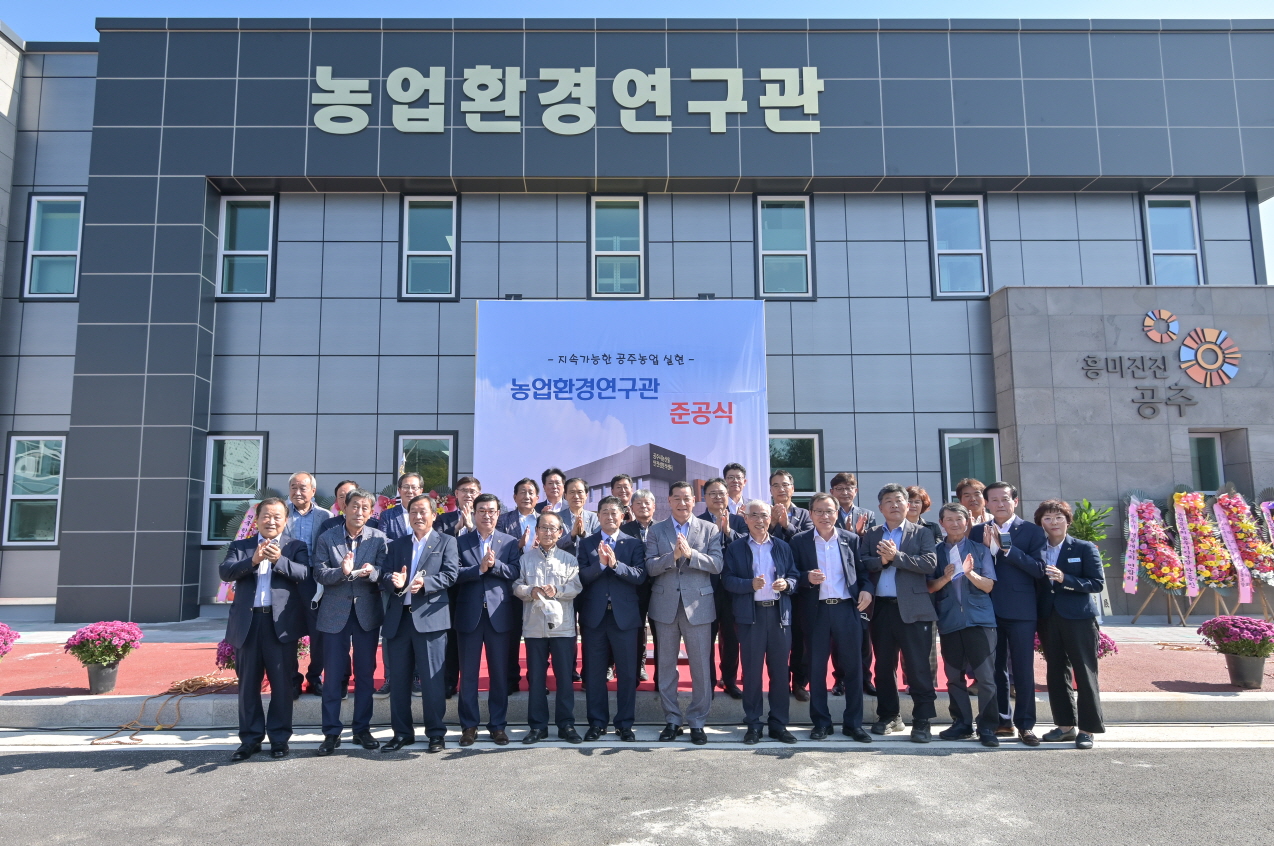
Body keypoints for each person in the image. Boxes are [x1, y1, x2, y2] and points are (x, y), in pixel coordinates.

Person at [220, 497, 310, 761]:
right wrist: (253, 560)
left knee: (282, 685)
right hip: (248, 625)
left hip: (279, 625)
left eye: (277, 517)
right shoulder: (241, 546)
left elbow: (304, 574)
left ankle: (279, 739)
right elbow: (225, 572)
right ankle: (250, 740)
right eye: (266, 516)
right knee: (248, 685)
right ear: (257, 519)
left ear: (286, 520)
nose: (271, 521)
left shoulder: (295, 546)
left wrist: (279, 560)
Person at [969, 481, 1047, 746]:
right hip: (987, 609)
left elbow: (1039, 569)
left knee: (1023, 669)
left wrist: (1007, 549)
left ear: (1015, 501)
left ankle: (1026, 724)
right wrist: (985, 550)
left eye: (1005, 499)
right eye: (994, 500)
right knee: (994, 670)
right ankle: (1002, 720)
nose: (1000, 504)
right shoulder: (977, 531)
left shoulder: (1032, 531)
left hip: (1020, 610)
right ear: (987, 503)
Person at [646, 481, 724, 745]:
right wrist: (672, 556)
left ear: (694, 500)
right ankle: (672, 719)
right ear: (669, 501)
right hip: (665, 606)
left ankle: (698, 721)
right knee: (666, 667)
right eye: (677, 498)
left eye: (686, 498)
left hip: (698, 606)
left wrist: (691, 555)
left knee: (701, 667)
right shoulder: (656, 530)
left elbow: (717, 564)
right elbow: (650, 567)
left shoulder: (710, 528)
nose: (682, 503)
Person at [791, 492, 873, 743]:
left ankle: (853, 724)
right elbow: (791, 574)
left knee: (853, 668)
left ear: (837, 513)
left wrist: (867, 590)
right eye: (819, 511)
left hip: (846, 609)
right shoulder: (800, 541)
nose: (824, 516)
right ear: (811, 514)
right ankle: (821, 722)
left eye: (829, 511)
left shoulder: (850, 539)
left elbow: (863, 573)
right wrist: (806, 578)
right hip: (815, 611)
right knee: (816, 668)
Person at [379, 494, 458, 754]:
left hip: (430, 620)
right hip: (399, 621)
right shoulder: (398, 545)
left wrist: (426, 583)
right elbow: (384, 576)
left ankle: (436, 734)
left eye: (423, 511)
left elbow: (451, 575)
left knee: (432, 680)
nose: (418, 516)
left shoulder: (446, 541)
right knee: (399, 681)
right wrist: (395, 582)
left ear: (434, 515)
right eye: (413, 512)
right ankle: (402, 733)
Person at [312, 488, 388, 755]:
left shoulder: (378, 538)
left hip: (367, 613)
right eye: (355, 506)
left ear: (371, 512)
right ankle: (331, 733)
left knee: (365, 674)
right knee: (333, 675)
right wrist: (341, 572)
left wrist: (373, 572)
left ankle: (362, 729)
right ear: (344, 507)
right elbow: (319, 573)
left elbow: (384, 571)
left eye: (365, 508)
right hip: (334, 613)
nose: (359, 512)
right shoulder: (328, 537)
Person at [861, 483, 939, 743]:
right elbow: (862, 563)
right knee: (884, 666)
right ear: (880, 507)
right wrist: (881, 561)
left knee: (918, 667)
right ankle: (889, 715)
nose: (894, 505)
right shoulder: (872, 534)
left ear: (908, 505)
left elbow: (929, 563)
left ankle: (923, 720)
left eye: (899, 500)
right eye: (888, 501)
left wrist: (896, 557)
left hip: (914, 609)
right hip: (882, 609)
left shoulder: (922, 533)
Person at [724, 500, 800, 744]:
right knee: (752, 673)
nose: (759, 520)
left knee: (780, 672)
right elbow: (727, 580)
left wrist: (787, 584)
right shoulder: (736, 548)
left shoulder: (781, 546)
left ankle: (779, 724)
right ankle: (753, 724)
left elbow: (795, 576)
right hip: (751, 617)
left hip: (779, 616)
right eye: (754, 515)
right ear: (745, 519)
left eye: (764, 515)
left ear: (771, 518)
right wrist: (749, 584)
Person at [1035, 499, 1106, 750]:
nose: (1053, 522)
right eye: (1047, 518)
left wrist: (1065, 579)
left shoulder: (1084, 548)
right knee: (1056, 671)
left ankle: (1087, 729)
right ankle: (1065, 726)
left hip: (1079, 618)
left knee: (1084, 673)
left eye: (1058, 517)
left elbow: (1096, 583)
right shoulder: (1037, 549)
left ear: (1068, 520)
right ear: (1041, 523)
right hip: (1048, 617)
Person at [927, 502, 1000, 748]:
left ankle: (987, 726)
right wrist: (945, 577)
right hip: (949, 620)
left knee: (985, 678)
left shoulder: (979, 550)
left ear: (966, 522)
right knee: (953, 677)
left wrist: (969, 573)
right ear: (942, 523)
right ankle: (962, 723)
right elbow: (930, 587)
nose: (955, 524)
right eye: (949, 519)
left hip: (980, 620)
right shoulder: (936, 552)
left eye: (959, 519)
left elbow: (989, 586)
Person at [454, 492, 521, 746]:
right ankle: (469, 726)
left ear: (498, 514)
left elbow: (515, 572)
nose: (486, 515)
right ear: (474, 513)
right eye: (481, 511)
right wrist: (479, 569)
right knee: (468, 674)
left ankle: (498, 725)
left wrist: (495, 566)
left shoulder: (509, 542)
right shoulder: (461, 542)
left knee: (499, 674)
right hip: (469, 615)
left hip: (498, 616)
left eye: (491, 511)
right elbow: (454, 574)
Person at [578, 495, 647, 741]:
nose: (609, 516)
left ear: (622, 516)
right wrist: (600, 565)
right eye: (604, 512)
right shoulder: (587, 543)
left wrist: (616, 565)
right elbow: (580, 577)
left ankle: (624, 724)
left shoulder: (634, 543)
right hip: (594, 618)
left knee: (627, 674)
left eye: (614, 512)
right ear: (597, 516)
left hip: (625, 618)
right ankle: (597, 723)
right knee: (595, 673)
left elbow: (640, 576)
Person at [514, 511, 583, 744]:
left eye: (552, 528)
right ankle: (537, 726)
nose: (547, 532)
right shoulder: (526, 559)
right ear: (536, 531)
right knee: (536, 678)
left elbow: (576, 587)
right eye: (543, 527)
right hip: (534, 627)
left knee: (564, 678)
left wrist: (558, 590)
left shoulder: (569, 559)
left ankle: (566, 725)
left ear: (560, 532)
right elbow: (516, 585)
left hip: (562, 627)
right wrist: (530, 591)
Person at [373, 472, 425, 700]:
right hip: (394, 580)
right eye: (406, 487)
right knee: (391, 631)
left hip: (421, 582)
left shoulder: (428, 513)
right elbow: (385, 544)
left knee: (418, 629)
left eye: (414, 487)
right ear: (399, 490)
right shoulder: (388, 515)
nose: (410, 491)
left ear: (421, 490)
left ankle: (416, 677)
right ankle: (390, 678)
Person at [699, 477, 748, 699]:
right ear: (704, 497)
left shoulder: (739, 520)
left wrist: (728, 531)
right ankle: (707, 683)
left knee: (731, 637)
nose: (718, 497)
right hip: (705, 588)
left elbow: (748, 546)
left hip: (732, 589)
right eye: (713, 493)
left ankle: (729, 680)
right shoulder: (697, 522)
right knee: (706, 638)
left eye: (722, 493)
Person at [830, 471, 877, 697]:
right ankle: (840, 679)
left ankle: (865, 678)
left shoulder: (868, 515)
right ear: (832, 492)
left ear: (855, 491)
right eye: (839, 489)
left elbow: (872, 547)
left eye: (849, 488)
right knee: (838, 637)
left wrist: (860, 535)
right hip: (838, 583)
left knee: (863, 635)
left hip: (861, 581)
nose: (844, 492)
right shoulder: (828, 513)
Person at [767, 470, 813, 700]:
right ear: (770, 490)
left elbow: (808, 544)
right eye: (776, 485)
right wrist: (772, 524)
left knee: (801, 637)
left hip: (800, 586)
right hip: (771, 585)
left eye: (785, 484)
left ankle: (800, 683)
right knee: (776, 639)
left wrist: (786, 525)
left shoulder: (804, 514)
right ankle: (780, 682)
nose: (781, 489)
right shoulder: (764, 512)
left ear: (792, 489)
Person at [285, 472, 331, 698]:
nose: (298, 492)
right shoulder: (281, 512)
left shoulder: (325, 516)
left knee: (318, 631)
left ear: (313, 491)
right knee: (287, 629)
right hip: (284, 577)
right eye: (293, 487)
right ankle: (292, 679)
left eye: (303, 487)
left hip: (314, 580)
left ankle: (315, 677)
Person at [438, 475, 483, 697]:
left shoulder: (485, 517)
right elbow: (435, 545)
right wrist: (457, 527)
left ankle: (471, 684)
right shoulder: (443, 519)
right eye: (464, 490)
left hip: (476, 586)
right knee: (450, 636)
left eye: (472, 491)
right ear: (456, 494)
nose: (468, 494)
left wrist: (473, 527)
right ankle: (448, 682)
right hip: (450, 587)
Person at [621, 488, 658, 683]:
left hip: (659, 587)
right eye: (639, 503)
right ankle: (636, 669)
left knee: (660, 631)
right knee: (635, 630)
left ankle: (662, 676)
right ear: (632, 507)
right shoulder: (624, 530)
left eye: (647, 503)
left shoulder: (663, 528)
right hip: (633, 588)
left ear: (654, 506)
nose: (643, 506)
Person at [557, 477, 599, 557]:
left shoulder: (595, 518)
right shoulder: (557, 518)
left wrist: (584, 534)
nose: (576, 496)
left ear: (586, 495)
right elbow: (553, 544)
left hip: (589, 563)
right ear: (565, 496)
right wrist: (571, 535)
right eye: (572, 492)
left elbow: (599, 542)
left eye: (580, 492)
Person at [497, 477, 541, 551]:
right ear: (515, 497)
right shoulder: (503, 520)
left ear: (537, 498)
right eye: (523, 492)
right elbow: (498, 546)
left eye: (531, 493)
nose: (527, 497)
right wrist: (519, 544)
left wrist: (542, 548)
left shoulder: (544, 520)